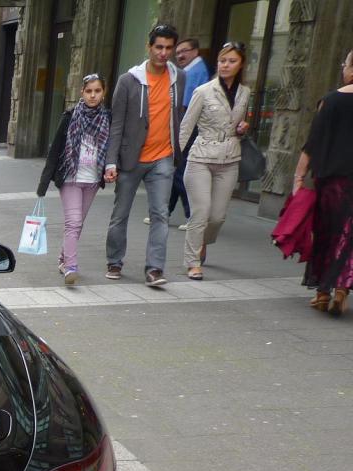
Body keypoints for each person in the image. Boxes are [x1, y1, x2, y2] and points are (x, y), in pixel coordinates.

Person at [103, 23, 186, 287]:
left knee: (161, 213)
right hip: (131, 158)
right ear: (149, 47)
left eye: (169, 48)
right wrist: (111, 161)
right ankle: (114, 260)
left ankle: (155, 269)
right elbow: (116, 123)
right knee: (121, 214)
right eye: (159, 47)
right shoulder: (129, 80)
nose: (163, 53)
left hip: (163, 157)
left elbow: (178, 116)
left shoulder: (178, 78)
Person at [179, 42, 252, 280]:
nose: (225, 65)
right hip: (200, 157)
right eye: (222, 60)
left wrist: (242, 129)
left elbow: (239, 124)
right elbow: (186, 127)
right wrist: (173, 159)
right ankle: (192, 262)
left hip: (230, 158)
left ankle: (203, 241)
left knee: (217, 216)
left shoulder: (245, 92)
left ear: (240, 65)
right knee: (200, 212)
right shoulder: (203, 91)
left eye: (231, 61)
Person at [292, 48, 353, 316]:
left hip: (330, 181)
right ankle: (342, 288)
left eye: (345, 63)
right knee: (348, 235)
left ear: (350, 68)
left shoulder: (329, 101)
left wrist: (299, 176)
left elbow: (313, 142)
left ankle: (322, 293)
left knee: (327, 234)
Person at [38, 74, 111, 286]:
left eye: (97, 91)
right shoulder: (70, 115)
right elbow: (55, 149)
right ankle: (71, 266)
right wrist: (43, 183)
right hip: (70, 176)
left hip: (92, 178)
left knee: (78, 225)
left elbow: (111, 148)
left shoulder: (108, 118)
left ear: (103, 92)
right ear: (82, 92)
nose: (93, 95)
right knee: (74, 222)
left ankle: (62, 260)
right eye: (89, 91)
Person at [164, 37, 208, 226]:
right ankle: (165, 212)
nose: (180, 55)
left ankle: (192, 215)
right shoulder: (194, 70)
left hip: (188, 128)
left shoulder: (194, 72)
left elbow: (184, 105)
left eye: (185, 51)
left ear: (195, 51)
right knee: (176, 170)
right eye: (178, 51)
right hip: (188, 127)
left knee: (180, 171)